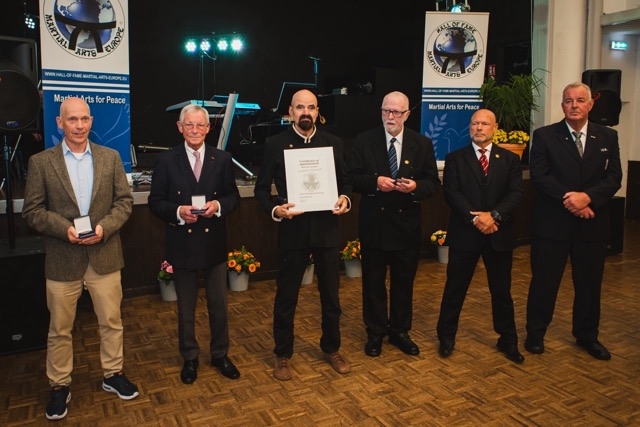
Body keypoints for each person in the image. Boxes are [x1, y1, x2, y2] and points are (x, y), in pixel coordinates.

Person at [22, 97, 138, 420]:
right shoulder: (41, 163)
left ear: (91, 121)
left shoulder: (110, 157)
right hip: (63, 260)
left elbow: (124, 202)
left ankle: (113, 374)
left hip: (105, 255)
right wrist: (65, 229)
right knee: (59, 328)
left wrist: (105, 228)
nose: (79, 125)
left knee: (111, 322)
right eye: (72, 119)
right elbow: (32, 211)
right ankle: (59, 385)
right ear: (59, 123)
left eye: (84, 119)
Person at [254, 89, 352, 380]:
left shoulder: (333, 143)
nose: (305, 112)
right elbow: (261, 190)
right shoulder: (275, 144)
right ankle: (283, 354)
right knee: (286, 297)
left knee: (331, 296)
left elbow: (346, 181)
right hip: (293, 230)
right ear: (290, 112)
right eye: (300, 107)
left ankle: (331, 348)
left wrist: (345, 198)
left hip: (327, 230)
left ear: (317, 111)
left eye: (311, 107)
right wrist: (276, 209)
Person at [525, 82, 622, 360]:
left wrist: (588, 198)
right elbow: (540, 176)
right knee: (544, 283)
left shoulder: (608, 136)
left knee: (589, 285)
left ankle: (587, 335)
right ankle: (535, 334)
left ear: (590, 104)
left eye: (580, 100)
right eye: (568, 101)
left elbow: (614, 177)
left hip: (592, 225)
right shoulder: (544, 136)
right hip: (552, 224)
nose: (574, 105)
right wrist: (573, 201)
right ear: (562, 106)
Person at [148, 104, 241, 384]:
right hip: (182, 243)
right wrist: (178, 212)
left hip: (214, 242)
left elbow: (234, 198)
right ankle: (189, 357)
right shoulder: (166, 160)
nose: (195, 130)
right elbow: (155, 202)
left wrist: (218, 206)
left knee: (218, 304)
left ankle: (220, 354)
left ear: (208, 128)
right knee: (186, 307)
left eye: (200, 125)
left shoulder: (222, 159)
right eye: (189, 124)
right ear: (180, 127)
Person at [349, 91, 440, 357]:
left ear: (407, 114)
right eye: (386, 111)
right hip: (374, 224)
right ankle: (376, 332)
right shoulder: (364, 141)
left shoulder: (421, 144)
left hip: (406, 226)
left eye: (396, 112)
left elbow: (433, 183)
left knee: (403, 282)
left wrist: (414, 187)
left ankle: (400, 331)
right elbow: (352, 178)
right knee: (373, 283)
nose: (390, 116)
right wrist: (375, 182)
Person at [436, 108, 525, 363]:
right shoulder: (455, 158)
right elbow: (452, 194)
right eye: (475, 123)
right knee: (455, 289)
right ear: (469, 127)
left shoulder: (510, 159)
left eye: (485, 124)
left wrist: (493, 216)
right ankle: (446, 337)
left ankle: (508, 339)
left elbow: (516, 193)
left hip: (498, 234)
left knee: (502, 291)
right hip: (466, 234)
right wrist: (477, 219)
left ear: (495, 128)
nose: (479, 128)